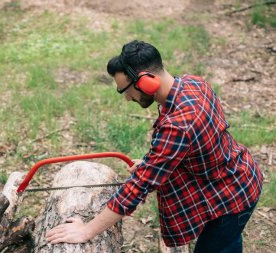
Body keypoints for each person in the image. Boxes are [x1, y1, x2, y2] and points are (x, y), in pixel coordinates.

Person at [46, 40, 263, 252]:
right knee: (229, 243)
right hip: (240, 176)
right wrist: (153, 162)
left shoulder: (178, 125)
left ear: (146, 81)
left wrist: (86, 231)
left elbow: (137, 188)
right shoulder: (194, 83)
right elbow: (197, 144)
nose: (128, 99)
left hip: (232, 196)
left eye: (126, 90)